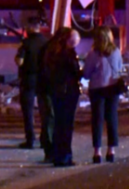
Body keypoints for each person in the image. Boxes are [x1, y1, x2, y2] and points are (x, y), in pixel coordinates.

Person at [82, 27, 123, 164]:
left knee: (97, 120)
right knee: (112, 119)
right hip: (112, 88)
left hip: (97, 89)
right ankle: (111, 151)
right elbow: (119, 69)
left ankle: (97, 152)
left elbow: (86, 74)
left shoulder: (93, 54)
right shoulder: (116, 52)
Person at [42, 27, 81, 167]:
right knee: (66, 125)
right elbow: (75, 71)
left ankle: (57, 154)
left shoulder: (50, 50)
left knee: (58, 124)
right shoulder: (67, 53)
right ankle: (65, 155)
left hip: (56, 91)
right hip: (68, 91)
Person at [15, 17, 52, 151]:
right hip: (43, 79)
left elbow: (19, 61)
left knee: (28, 111)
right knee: (44, 111)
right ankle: (45, 139)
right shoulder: (46, 42)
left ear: (31, 27)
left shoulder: (26, 43)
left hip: (28, 79)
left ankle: (30, 139)